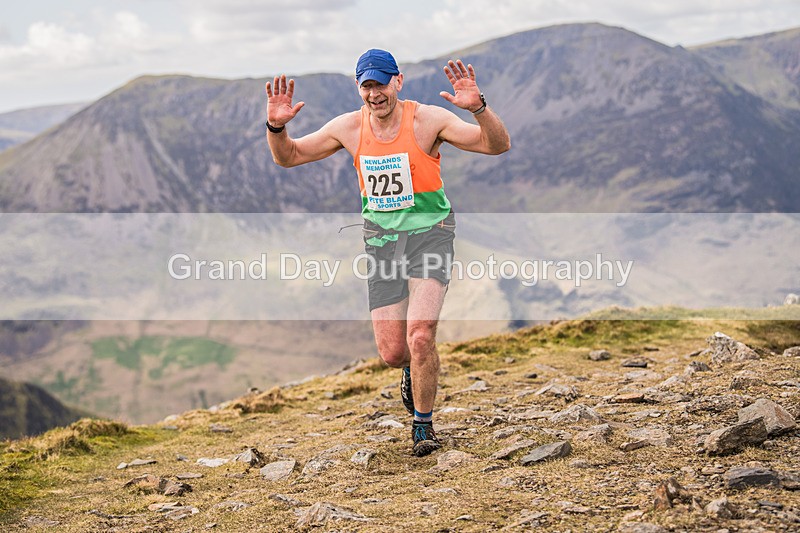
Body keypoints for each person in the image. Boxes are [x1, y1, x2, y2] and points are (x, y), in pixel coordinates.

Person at [265, 49, 510, 456]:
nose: (375, 93)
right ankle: (412, 369)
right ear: (359, 88)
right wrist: (275, 126)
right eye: (367, 85)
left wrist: (479, 108)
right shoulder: (347, 127)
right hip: (381, 242)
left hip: (431, 235)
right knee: (393, 351)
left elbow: (496, 145)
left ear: (398, 81)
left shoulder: (428, 119)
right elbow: (289, 157)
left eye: (381, 83)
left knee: (420, 334)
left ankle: (423, 427)